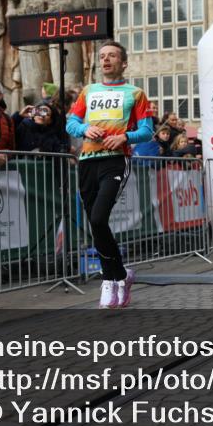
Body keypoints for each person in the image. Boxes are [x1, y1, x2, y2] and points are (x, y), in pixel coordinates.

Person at [66, 42, 153, 309]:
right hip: (88, 161)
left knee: (98, 216)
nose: (106, 60)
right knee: (96, 225)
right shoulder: (88, 91)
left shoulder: (135, 94)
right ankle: (122, 276)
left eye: (112, 56)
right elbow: (71, 122)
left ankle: (108, 279)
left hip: (115, 161)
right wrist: (84, 130)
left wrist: (125, 136)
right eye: (102, 56)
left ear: (123, 62)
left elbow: (147, 131)